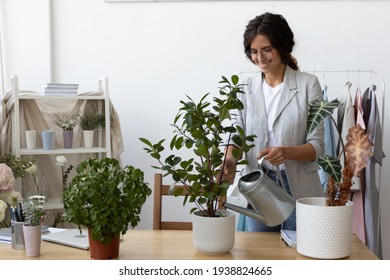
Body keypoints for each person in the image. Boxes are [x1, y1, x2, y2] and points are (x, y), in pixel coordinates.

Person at [223, 12, 325, 232]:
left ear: (282, 46)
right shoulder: (244, 89)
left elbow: (316, 147)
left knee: (300, 255)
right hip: (258, 186)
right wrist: (230, 160)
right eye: (254, 52)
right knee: (260, 256)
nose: (260, 58)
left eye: (267, 49)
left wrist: (285, 152)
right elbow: (236, 136)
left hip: (299, 187)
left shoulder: (308, 85)